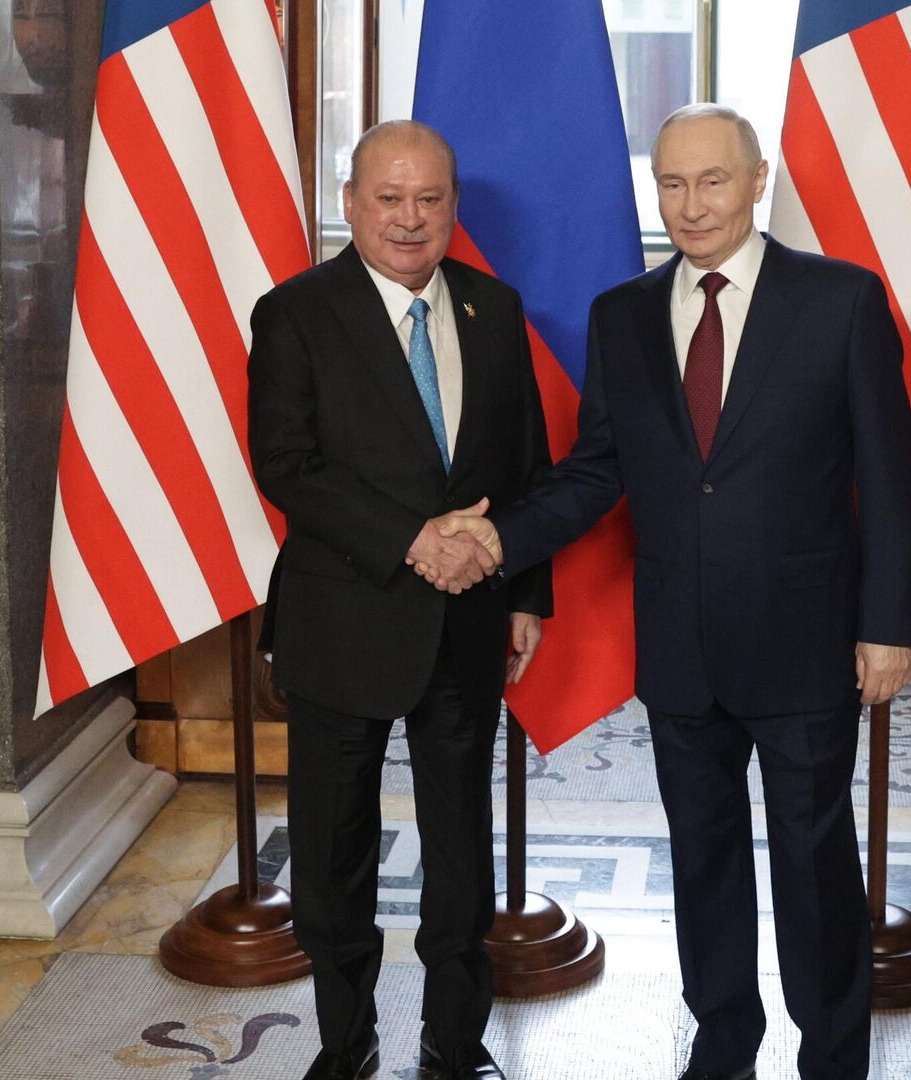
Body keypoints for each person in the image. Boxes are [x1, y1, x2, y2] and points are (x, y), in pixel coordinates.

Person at [428, 104, 911, 1080]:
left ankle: (832, 1057)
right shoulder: (623, 316)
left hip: (807, 642)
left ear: (757, 180)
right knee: (701, 860)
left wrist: (887, 626)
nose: (691, 205)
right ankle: (723, 1043)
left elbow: (891, 478)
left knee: (814, 865)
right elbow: (595, 472)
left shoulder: (842, 301)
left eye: (712, 181)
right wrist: (498, 535)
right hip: (681, 646)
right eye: (671, 183)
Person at [247, 119, 550, 1080]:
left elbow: (526, 463)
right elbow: (286, 464)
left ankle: (454, 1043)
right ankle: (348, 1043)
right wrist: (415, 539)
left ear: (454, 206)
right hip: (342, 625)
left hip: (468, 624)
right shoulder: (295, 313)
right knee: (333, 857)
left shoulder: (495, 309)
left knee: (461, 854)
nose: (410, 219)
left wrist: (525, 593)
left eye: (429, 199)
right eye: (389, 198)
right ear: (350, 203)